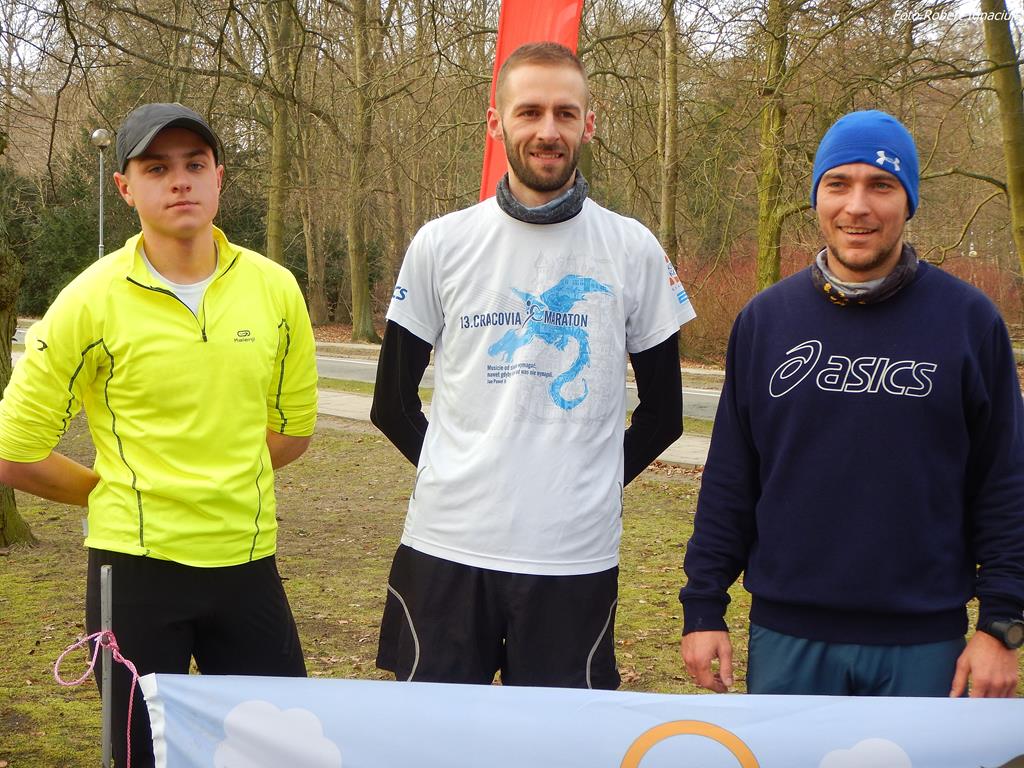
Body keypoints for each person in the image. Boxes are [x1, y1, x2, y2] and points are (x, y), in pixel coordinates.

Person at [370, 42, 696, 689]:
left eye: (565, 113)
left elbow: (665, 415)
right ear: (496, 123)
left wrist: (592, 485)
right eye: (530, 112)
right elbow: (391, 404)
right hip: (447, 548)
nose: (548, 130)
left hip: (573, 560)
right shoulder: (441, 243)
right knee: (432, 736)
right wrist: (455, 473)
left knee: (561, 740)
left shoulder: (632, 248)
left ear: (588, 124)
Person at [0, 103, 318, 764]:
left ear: (219, 177)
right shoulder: (89, 300)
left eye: (195, 164)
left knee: (281, 752)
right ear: (125, 187)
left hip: (247, 565)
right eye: (156, 168)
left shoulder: (275, 289)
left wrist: (219, 470)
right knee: (141, 755)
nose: (180, 181)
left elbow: (292, 432)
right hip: (134, 574)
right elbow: (14, 451)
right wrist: (109, 491)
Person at [679, 110, 1024, 698]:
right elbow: (732, 477)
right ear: (817, 197)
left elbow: (1006, 482)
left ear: (908, 201)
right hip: (787, 637)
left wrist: (1001, 623)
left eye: (881, 185)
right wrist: (703, 605)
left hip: (923, 640)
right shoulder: (766, 321)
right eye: (838, 184)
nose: (857, 206)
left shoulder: (969, 323)